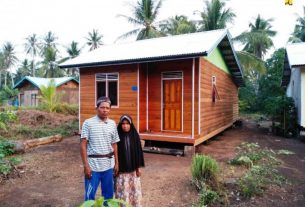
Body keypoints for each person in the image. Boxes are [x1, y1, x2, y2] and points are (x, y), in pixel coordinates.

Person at [80, 96, 120, 201]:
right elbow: (83, 144)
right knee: (90, 195)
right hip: (93, 166)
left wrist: (117, 163)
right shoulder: (88, 123)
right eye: (102, 107)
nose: (105, 110)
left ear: (110, 109)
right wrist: (86, 166)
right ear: (97, 108)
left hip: (108, 165)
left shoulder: (112, 124)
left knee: (108, 196)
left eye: (107, 108)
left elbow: (114, 144)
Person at [115, 115, 145, 207]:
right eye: (123, 124)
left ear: (131, 124)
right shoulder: (117, 136)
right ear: (120, 125)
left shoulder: (134, 136)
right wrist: (116, 165)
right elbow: (114, 152)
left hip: (133, 170)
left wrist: (138, 167)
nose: (125, 126)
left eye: (127, 123)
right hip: (122, 171)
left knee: (134, 190)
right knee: (123, 190)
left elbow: (139, 152)